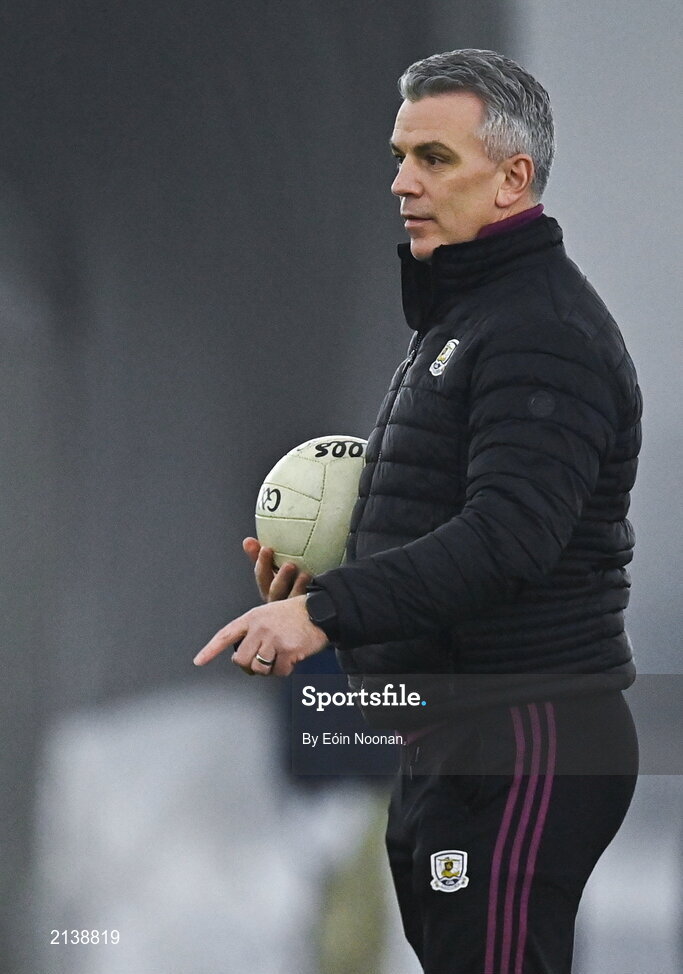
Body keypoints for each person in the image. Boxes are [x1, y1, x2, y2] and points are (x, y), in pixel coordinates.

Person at [194, 49, 641, 974]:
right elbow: (448, 521)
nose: (401, 182)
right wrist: (334, 581)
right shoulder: (465, 320)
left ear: (514, 177)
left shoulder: (539, 330)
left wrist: (321, 613)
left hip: (525, 735)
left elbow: (508, 539)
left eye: (433, 158)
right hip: (455, 739)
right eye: (400, 156)